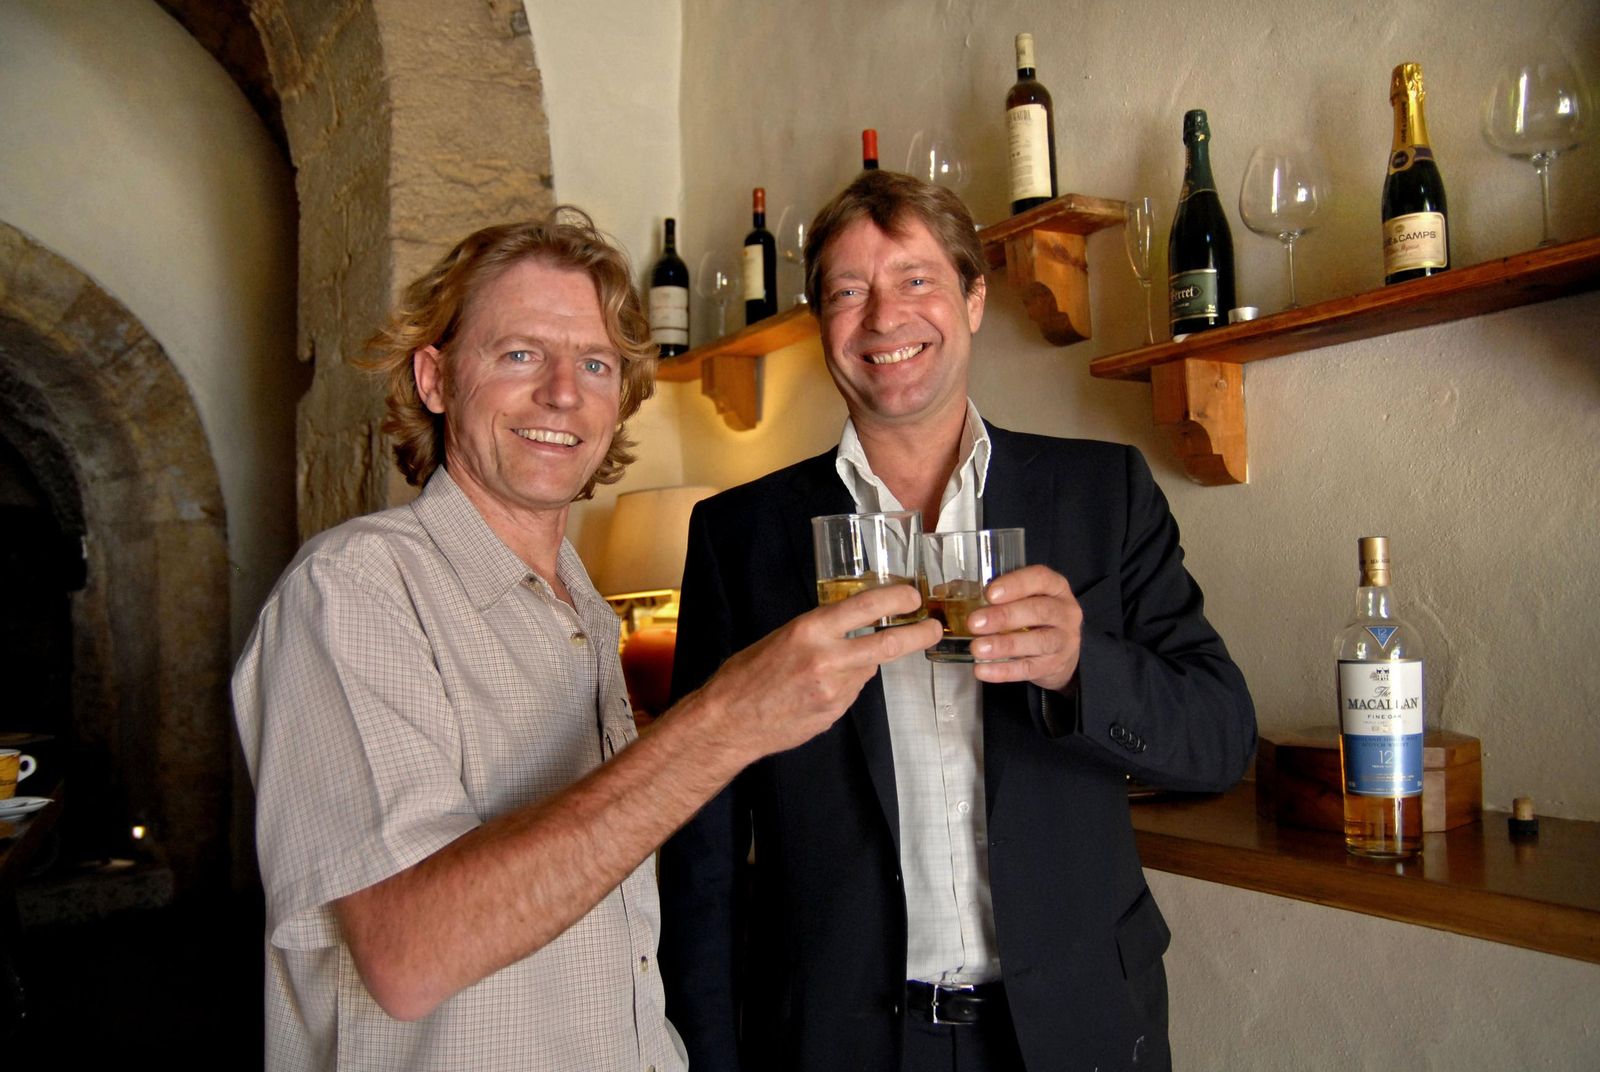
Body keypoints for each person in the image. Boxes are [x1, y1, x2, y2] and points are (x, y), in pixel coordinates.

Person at [232, 208, 941, 1071]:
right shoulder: (353, 591)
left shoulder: (586, 614)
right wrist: (724, 723)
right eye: (519, 354)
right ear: (436, 378)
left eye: (596, 364)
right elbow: (408, 956)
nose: (563, 393)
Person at [657, 171, 1257, 1072]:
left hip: (1076, 1030)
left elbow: (1219, 739)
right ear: (822, 323)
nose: (884, 318)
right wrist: (707, 1056)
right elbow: (699, 842)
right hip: (837, 1041)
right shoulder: (739, 536)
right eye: (848, 292)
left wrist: (1081, 666)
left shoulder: (1104, 494)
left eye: (916, 280)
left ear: (974, 300)